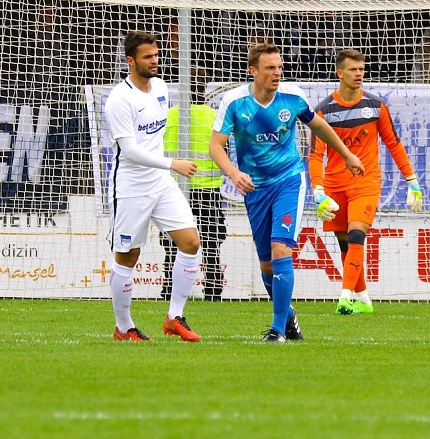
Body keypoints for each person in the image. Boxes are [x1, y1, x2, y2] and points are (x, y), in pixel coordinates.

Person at [209, 42, 364, 342]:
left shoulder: (292, 97)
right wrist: (234, 172)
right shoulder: (234, 102)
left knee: (282, 250)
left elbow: (319, 126)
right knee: (267, 263)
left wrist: (345, 154)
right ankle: (288, 314)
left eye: (279, 67)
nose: (277, 73)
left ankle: (278, 329)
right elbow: (216, 145)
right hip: (254, 187)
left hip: (289, 180)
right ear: (253, 71)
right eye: (270, 68)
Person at [104, 30, 202, 342]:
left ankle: (174, 317)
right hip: (132, 188)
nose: (155, 61)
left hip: (161, 184)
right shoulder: (119, 100)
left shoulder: (160, 88)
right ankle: (124, 327)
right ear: (130, 61)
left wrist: (167, 168)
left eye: (156, 55)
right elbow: (130, 151)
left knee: (190, 242)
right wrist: (173, 163)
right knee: (127, 257)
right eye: (148, 57)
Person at [308, 49, 422, 316]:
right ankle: (364, 298)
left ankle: (345, 296)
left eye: (361, 69)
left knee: (358, 234)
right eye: (353, 69)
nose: (359, 74)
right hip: (335, 185)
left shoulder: (376, 106)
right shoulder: (323, 111)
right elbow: (315, 155)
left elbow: (394, 144)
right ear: (339, 73)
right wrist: (318, 191)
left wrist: (412, 181)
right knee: (346, 244)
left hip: (366, 182)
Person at [159, 67, 227, 302]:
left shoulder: (169, 115)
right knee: (210, 242)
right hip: (207, 188)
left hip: (176, 188)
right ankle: (213, 290)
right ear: (203, 89)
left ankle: (169, 289)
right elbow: (224, 149)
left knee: (173, 242)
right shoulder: (213, 115)